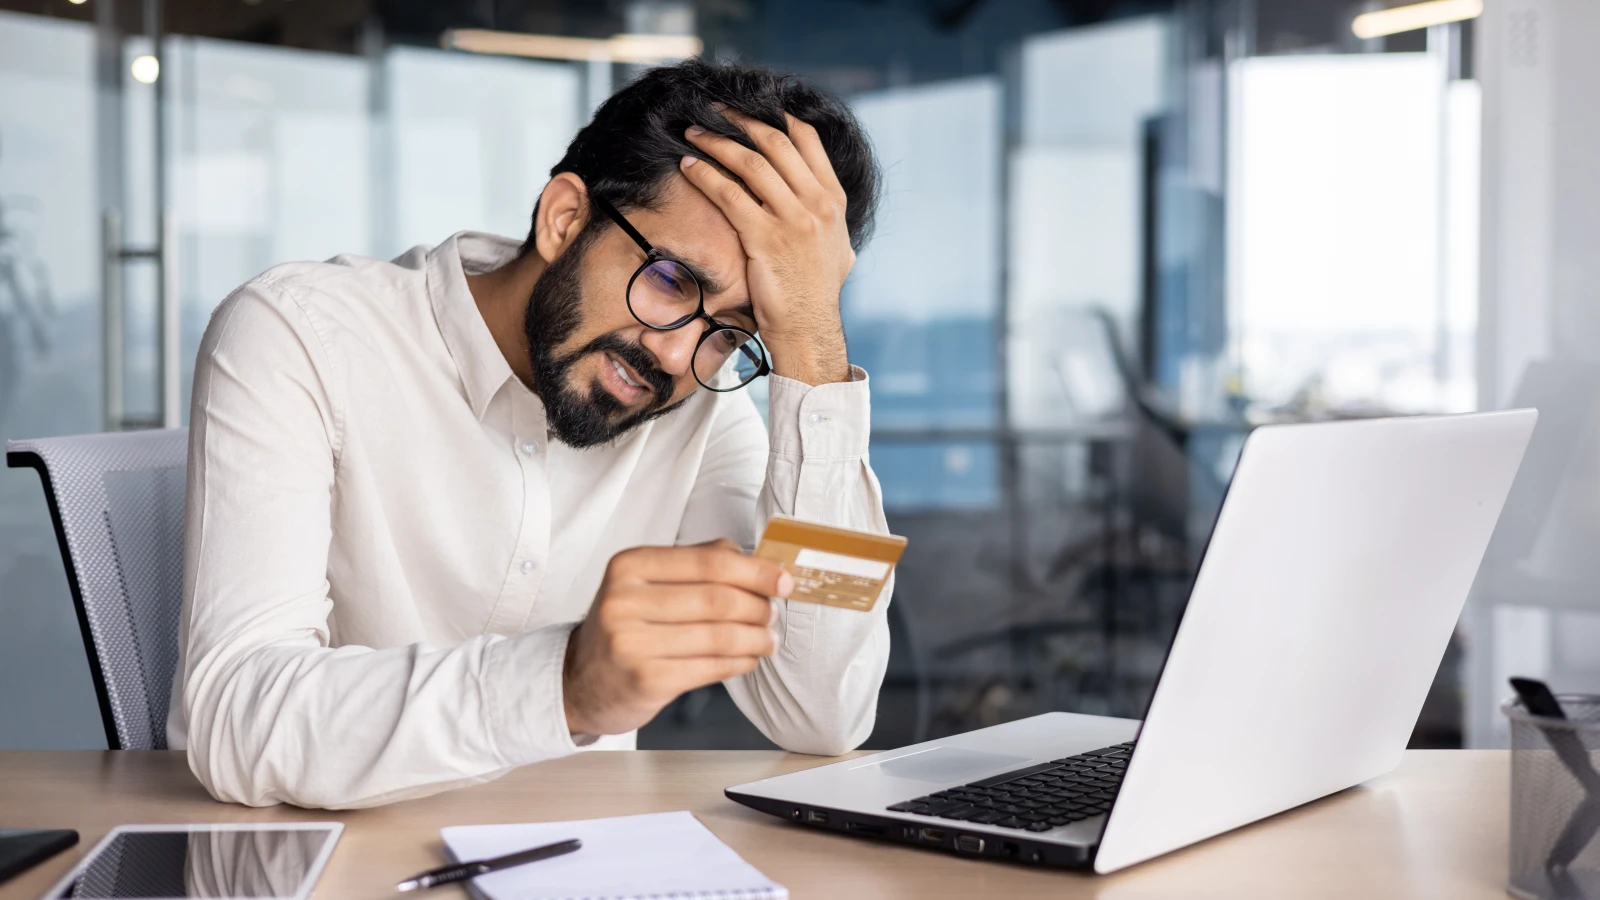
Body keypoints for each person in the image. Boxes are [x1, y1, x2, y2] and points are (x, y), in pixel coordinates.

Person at [169, 59, 890, 808]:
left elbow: (824, 712)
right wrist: (562, 683)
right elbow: (235, 718)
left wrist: (813, 353)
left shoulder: (702, 413)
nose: (676, 356)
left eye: (733, 334)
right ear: (565, 218)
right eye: (673, 281)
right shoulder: (303, 334)